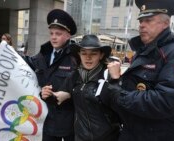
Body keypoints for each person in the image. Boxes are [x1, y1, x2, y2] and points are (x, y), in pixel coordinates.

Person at [99, 0, 174, 141]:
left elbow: (165, 101)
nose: (141, 25)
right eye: (140, 21)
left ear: (165, 23)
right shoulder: (143, 50)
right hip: (132, 131)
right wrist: (116, 81)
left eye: (148, 20)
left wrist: (118, 93)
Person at [50, 35, 121, 141]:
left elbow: (121, 104)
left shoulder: (109, 75)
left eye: (93, 53)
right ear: (79, 55)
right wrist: (49, 96)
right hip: (80, 138)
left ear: (101, 55)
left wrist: (116, 80)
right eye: (84, 53)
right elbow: (59, 98)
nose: (88, 57)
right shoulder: (74, 76)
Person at [25, 9, 77, 141]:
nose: (53, 37)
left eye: (58, 34)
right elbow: (26, 63)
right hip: (45, 120)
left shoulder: (75, 57)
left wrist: (69, 93)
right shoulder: (44, 54)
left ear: (68, 35)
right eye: (51, 33)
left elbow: (82, 83)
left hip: (67, 122)